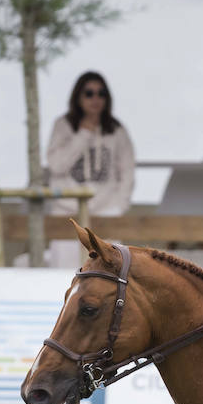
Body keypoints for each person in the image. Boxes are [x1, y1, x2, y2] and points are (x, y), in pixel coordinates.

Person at [45, 72, 135, 269]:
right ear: (78, 97)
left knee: (107, 275)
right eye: (89, 93)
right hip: (67, 213)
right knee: (65, 273)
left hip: (106, 211)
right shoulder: (63, 126)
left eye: (101, 93)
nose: (95, 99)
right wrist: (83, 134)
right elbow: (56, 165)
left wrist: (119, 206)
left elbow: (127, 172)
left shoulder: (116, 129)